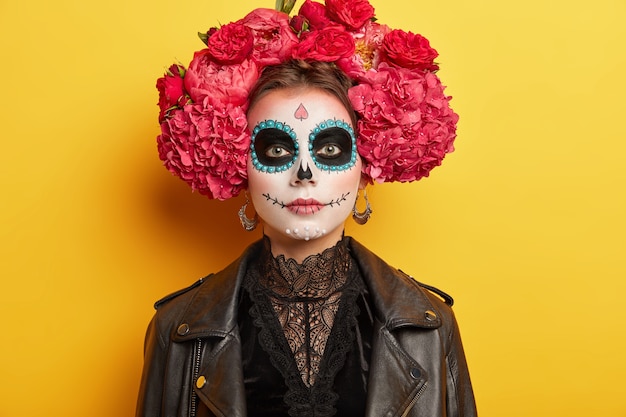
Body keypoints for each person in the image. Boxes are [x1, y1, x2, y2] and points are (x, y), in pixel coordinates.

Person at [137, 1, 476, 416]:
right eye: (277, 149)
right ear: (237, 165)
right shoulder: (178, 331)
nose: (303, 172)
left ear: (365, 168)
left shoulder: (429, 327)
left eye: (330, 148)